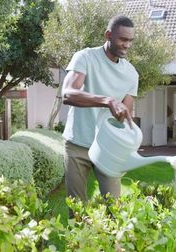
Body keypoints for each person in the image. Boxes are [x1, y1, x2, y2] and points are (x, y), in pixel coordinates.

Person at [61, 15, 139, 205]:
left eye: (130, 40)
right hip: (78, 143)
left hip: (107, 149)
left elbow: (124, 116)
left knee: (114, 208)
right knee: (76, 207)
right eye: (122, 39)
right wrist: (106, 100)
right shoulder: (85, 57)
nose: (127, 45)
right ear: (108, 35)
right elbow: (68, 94)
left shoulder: (131, 73)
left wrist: (124, 120)